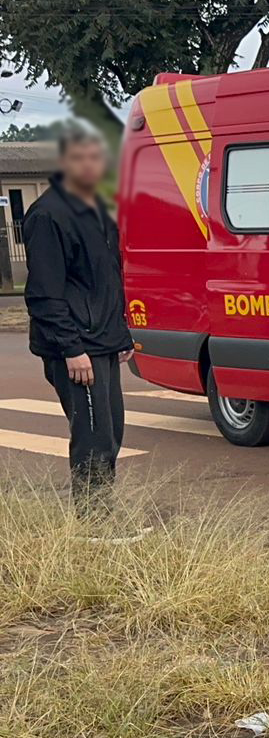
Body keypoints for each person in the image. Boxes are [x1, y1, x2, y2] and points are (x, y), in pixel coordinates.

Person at [23, 121, 135, 518]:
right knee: (92, 439)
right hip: (76, 349)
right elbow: (44, 294)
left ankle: (103, 515)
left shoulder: (97, 210)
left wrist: (120, 336)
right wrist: (72, 349)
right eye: (79, 158)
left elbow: (105, 280)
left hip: (103, 343)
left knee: (111, 432)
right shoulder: (48, 215)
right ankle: (93, 524)